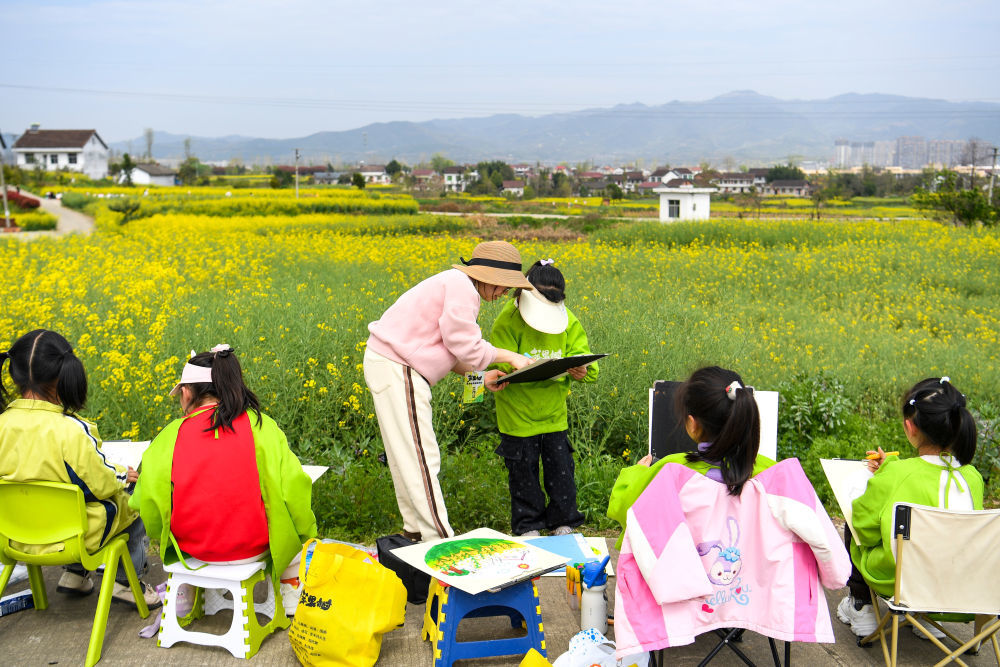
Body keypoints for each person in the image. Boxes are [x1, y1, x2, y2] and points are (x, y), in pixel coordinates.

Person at [365, 240, 535, 542]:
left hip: (390, 363)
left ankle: (414, 533)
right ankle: (439, 540)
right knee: (421, 456)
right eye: (503, 286)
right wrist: (511, 356)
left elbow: (448, 347)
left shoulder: (457, 286)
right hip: (399, 366)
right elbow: (463, 344)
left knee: (405, 456)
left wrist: (479, 378)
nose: (504, 294)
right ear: (487, 276)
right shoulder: (463, 287)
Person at [131, 344, 317, 614]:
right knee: (296, 539)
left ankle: (186, 594)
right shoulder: (261, 426)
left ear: (186, 392)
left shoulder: (171, 436)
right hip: (254, 546)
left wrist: (166, 536)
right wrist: (304, 533)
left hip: (194, 551)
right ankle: (290, 592)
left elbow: (147, 501)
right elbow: (294, 491)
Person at [0, 329, 159, 607]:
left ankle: (74, 577)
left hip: (14, 538)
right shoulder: (71, 430)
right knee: (131, 491)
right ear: (63, 375)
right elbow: (99, 483)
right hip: (69, 539)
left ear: (14, 374)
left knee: (62, 493)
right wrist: (123, 474)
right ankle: (125, 582)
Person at [837, 376, 982, 639]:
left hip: (902, 582)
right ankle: (923, 618)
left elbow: (865, 529)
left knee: (853, 518)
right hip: (960, 587)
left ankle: (862, 606)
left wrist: (884, 477)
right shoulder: (972, 477)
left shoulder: (899, 474)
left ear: (909, 426)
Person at [607, 366, 777, 547]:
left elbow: (626, 506)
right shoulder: (772, 472)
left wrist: (637, 473)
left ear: (692, 424)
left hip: (681, 573)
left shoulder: (670, 469)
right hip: (747, 572)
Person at [490, 259, 598, 537]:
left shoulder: (568, 320)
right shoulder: (508, 320)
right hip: (516, 418)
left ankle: (564, 521)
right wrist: (511, 367)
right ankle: (528, 525)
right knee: (523, 474)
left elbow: (588, 363)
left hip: (554, 417)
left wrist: (581, 370)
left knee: (561, 472)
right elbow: (495, 363)